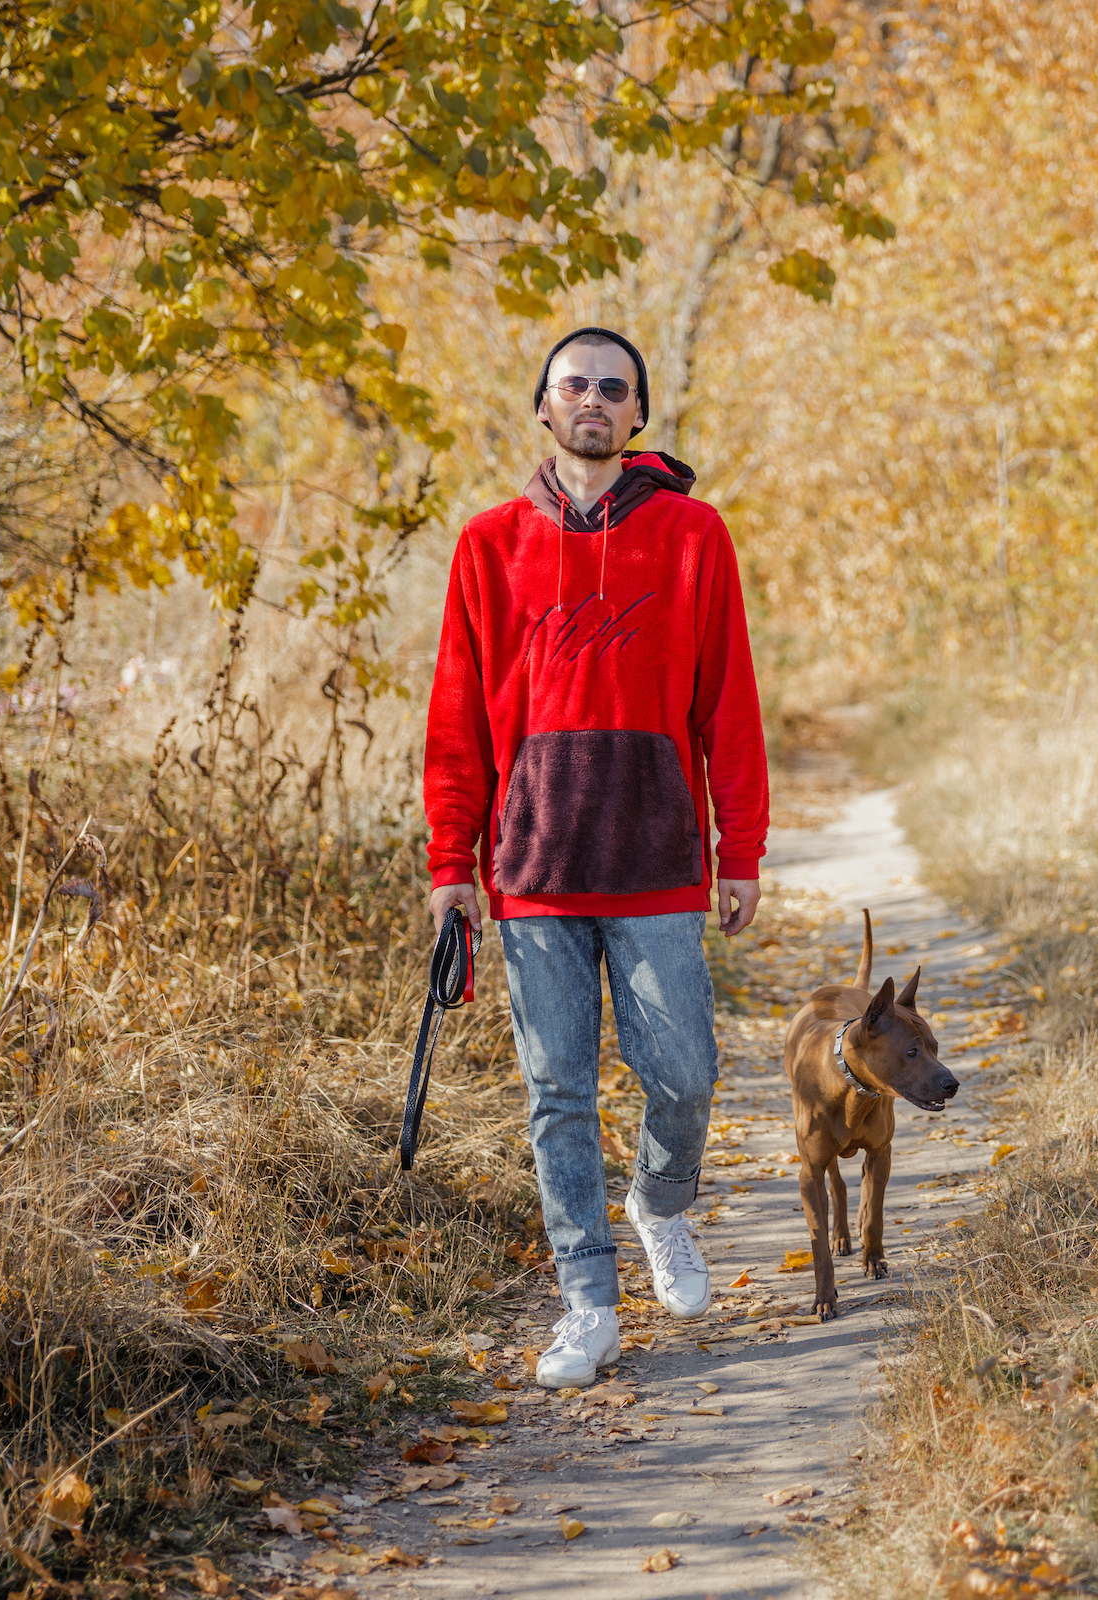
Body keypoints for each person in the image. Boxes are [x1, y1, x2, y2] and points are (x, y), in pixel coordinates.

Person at [422, 326, 768, 1389]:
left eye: (614, 390)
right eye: (575, 384)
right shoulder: (487, 545)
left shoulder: (695, 535)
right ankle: (588, 1301)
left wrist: (738, 845)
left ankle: (660, 1202)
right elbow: (455, 724)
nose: (593, 401)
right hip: (531, 872)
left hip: (658, 860)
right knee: (556, 1097)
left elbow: (730, 702)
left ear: (637, 418)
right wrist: (451, 868)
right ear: (542, 404)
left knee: (687, 1072)